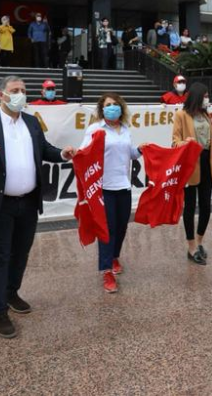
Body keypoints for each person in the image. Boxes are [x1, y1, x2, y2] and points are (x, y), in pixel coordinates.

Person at [0, 76, 76, 338]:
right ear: (1, 95)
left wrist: (62, 155)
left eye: (23, 90)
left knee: (21, 253)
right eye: (15, 91)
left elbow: (45, 149)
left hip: (29, 202)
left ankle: (12, 292)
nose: (20, 95)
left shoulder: (32, 122)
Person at [81, 93, 147, 292]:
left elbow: (130, 153)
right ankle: (107, 270)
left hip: (123, 186)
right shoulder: (95, 129)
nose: (113, 107)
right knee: (107, 230)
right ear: (102, 109)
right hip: (104, 188)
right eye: (108, 105)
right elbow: (84, 151)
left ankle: (115, 256)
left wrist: (141, 150)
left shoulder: (125, 129)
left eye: (116, 104)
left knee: (121, 227)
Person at [172, 83, 212, 265]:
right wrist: (185, 142)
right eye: (205, 96)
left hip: (207, 162)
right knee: (190, 207)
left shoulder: (206, 115)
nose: (208, 99)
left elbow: (211, 138)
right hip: (190, 164)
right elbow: (175, 142)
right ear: (197, 97)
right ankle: (191, 247)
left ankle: (199, 242)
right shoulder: (181, 115)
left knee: (206, 205)